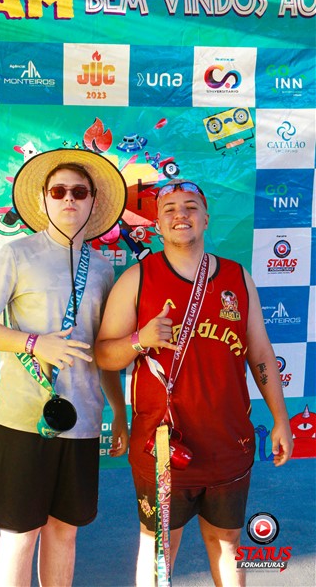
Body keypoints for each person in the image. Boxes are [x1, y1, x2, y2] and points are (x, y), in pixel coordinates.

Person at [94, 179, 293, 587]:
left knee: (228, 543)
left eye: (190, 207)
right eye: (169, 209)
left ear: (205, 219)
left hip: (229, 442)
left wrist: (281, 419)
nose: (180, 215)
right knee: (159, 547)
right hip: (162, 446)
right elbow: (104, 355)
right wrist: (140, 339)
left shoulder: (237, 277)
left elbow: (260, 353)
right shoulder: (137, 278)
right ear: (156, 224)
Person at [0, 148, 129, 587]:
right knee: (20, 535)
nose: (69, 198)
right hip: (24, 421)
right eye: (59, 191)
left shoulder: (104, 268)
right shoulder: (16, 254)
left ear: (93, 201)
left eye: (79, 192)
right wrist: (35, 343)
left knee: (65, 532)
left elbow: (104, 350)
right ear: (43, 199)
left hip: (84, 421)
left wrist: (119, 411)